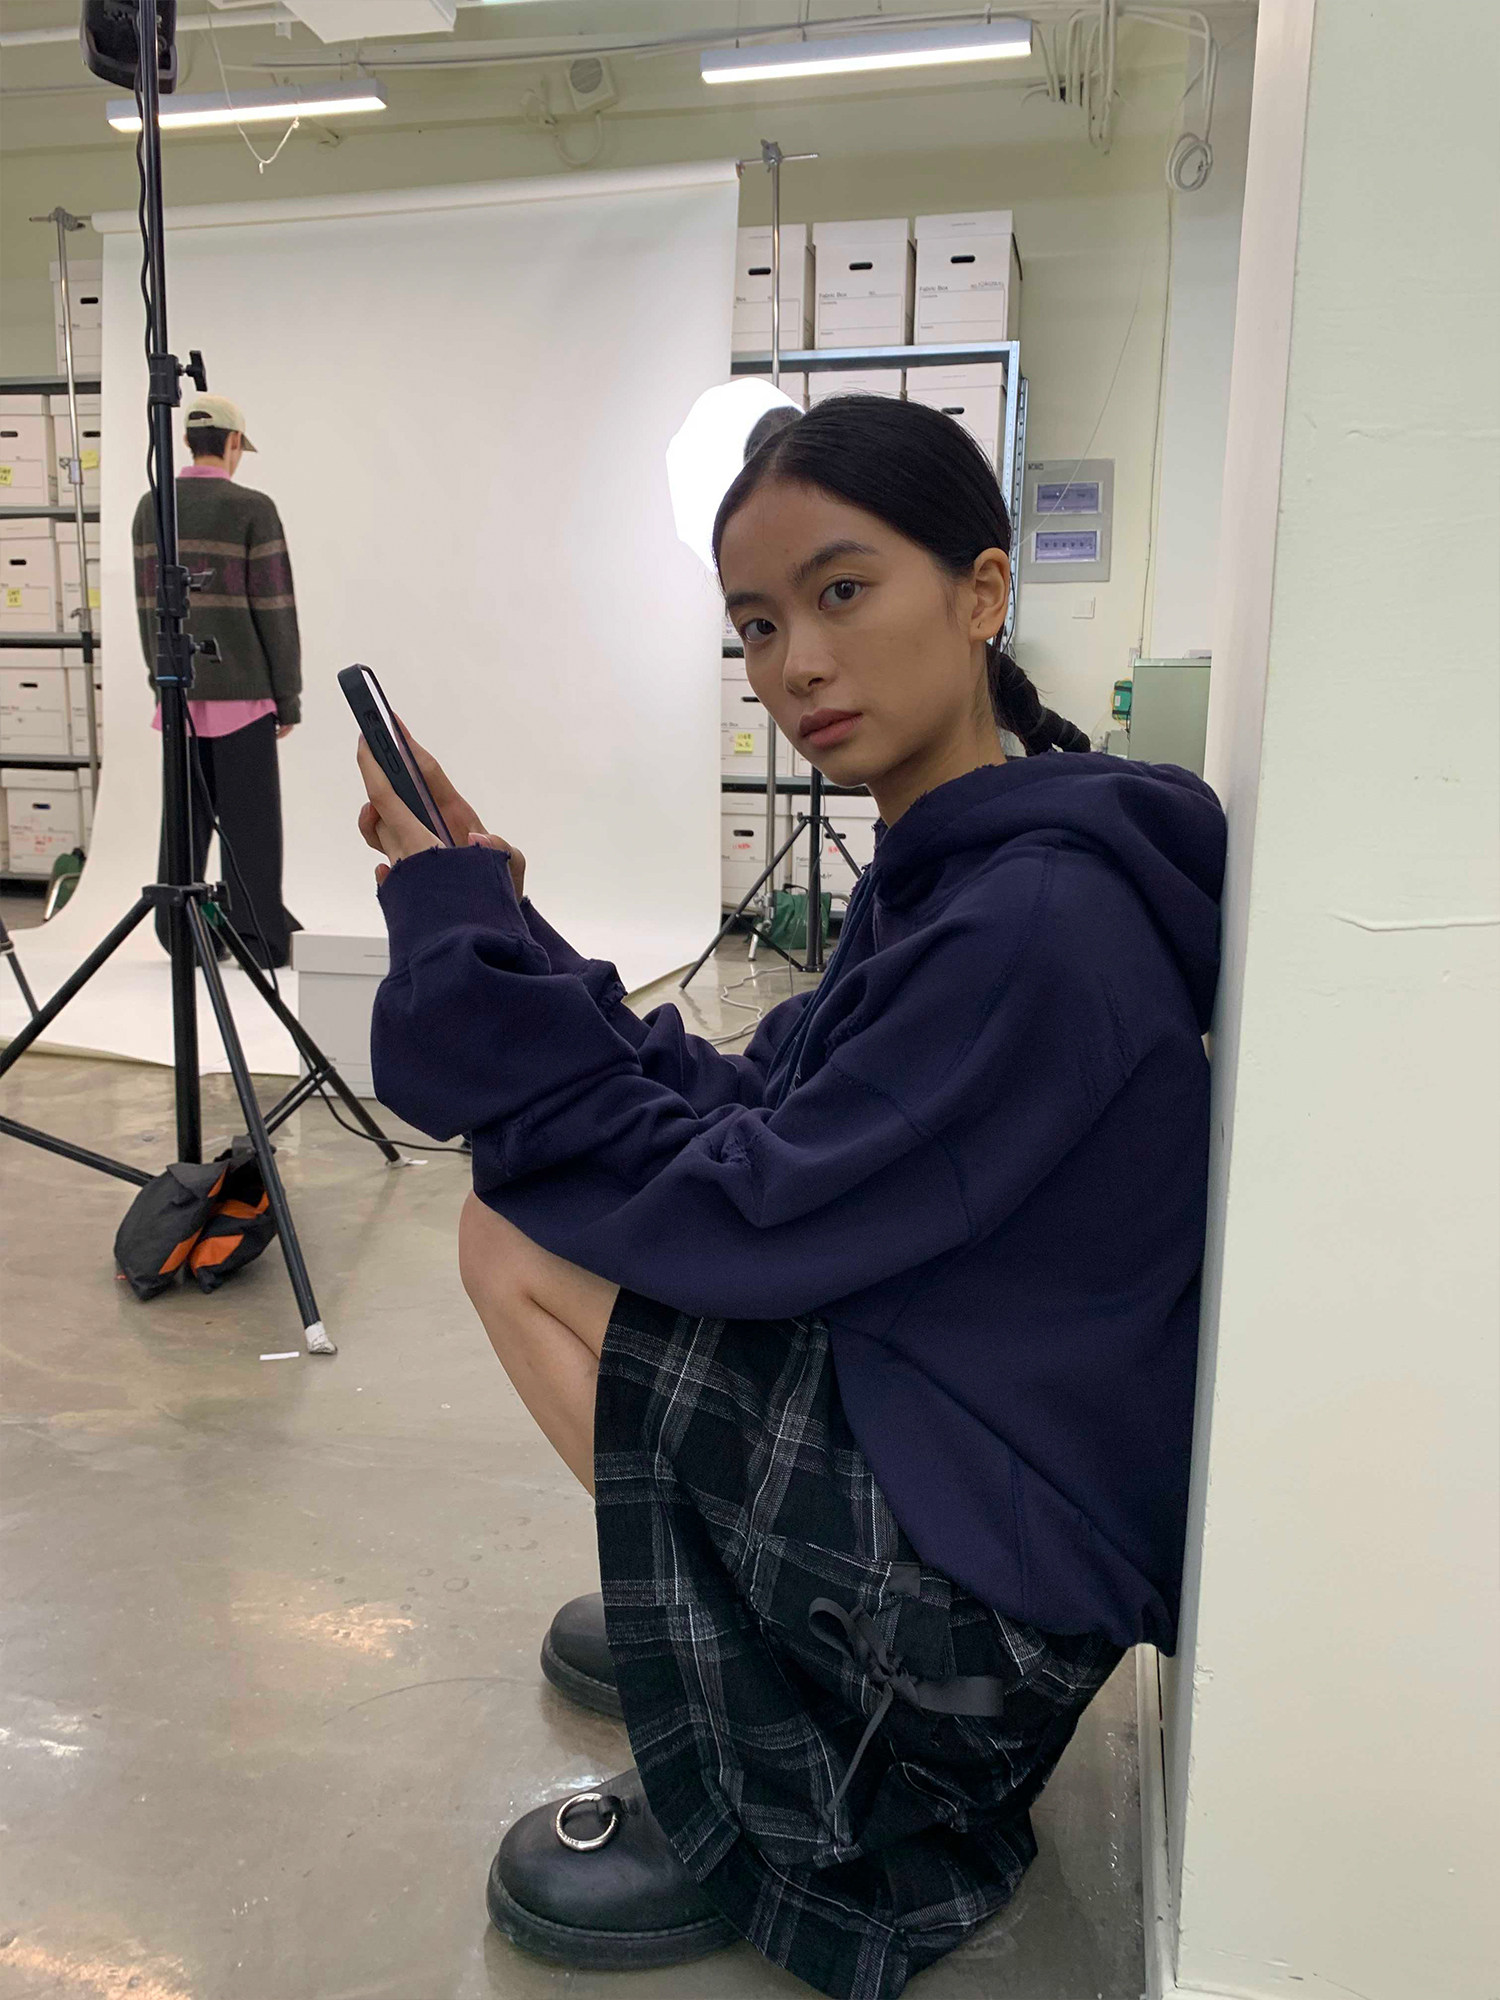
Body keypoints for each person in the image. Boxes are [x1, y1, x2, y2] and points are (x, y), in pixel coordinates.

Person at [356, 397, 1226, 2000]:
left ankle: (796, 1723)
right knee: (561, 1214)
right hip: (981, 1472)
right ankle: (737, 1622)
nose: (797, 664)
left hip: (988, 1632)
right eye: (758, 625)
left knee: (513, 1238)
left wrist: (466, 961)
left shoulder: (1029, 923)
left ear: (981, 591)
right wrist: (508, 933)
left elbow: (747, 1211)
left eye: (843, 592)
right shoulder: (969, 864)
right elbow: (757, 1097)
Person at [132, 392, 301, 968]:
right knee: (251, 826)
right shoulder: (253, 508)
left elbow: (146, 606)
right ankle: (258, 938)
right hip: (244, 695)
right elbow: (274, 607)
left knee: (183, 821)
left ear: (186, 441)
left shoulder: (151, 506)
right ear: (232, 443)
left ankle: (179, 933)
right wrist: (288, 698)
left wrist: (163, 685)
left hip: (178, 694)